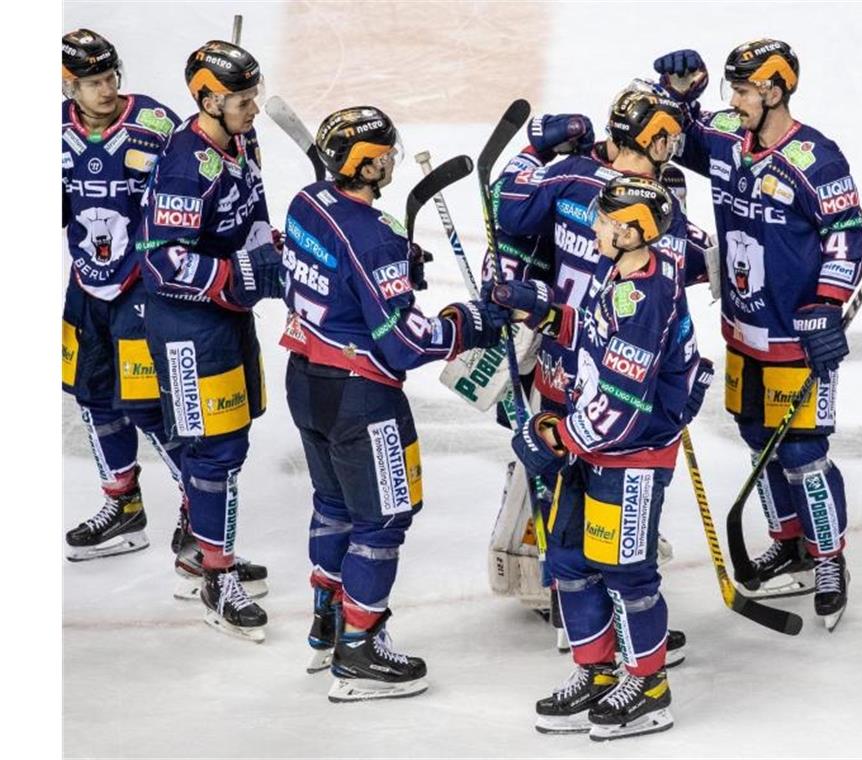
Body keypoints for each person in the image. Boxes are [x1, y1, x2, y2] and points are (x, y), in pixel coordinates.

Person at [279, 106, 510, 699]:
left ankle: (325, 622)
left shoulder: (306, 201)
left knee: (333, 504)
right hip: (363, 397)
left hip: (306, 380)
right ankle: (358, 649)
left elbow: (324, 274)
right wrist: (465, 322)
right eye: (382, 153)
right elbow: (406, 343)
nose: (389, 160)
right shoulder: (375, 236)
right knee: (382, 520)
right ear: (365, 162)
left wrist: (391, 274)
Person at [652, 39, 862, 628]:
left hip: (794, 338)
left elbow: (848, 234)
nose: (734, 101)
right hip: (741, 332)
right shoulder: (726, 135)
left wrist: (827, 303)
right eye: (731, 90)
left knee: (803, 454)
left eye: (744, 91)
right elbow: (670, 134)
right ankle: (791, 539)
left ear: (775, 90)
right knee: (758, 441)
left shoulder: (815, 158)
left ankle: (830, 559)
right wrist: (673, 96)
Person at [491, 175, 711, 741]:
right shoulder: (619, 273)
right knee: (568, 558)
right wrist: (539, 313)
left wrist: (556, 439)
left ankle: (649, 685)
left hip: (631, 453)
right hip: (594, 444)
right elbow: (591, 333)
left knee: (626, 572)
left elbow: (622, 402)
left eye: (607, 221)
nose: (595, 227)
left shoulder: (647, 297)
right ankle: (596, 672)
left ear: (634, 231)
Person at [137, 40, 279, 641]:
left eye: (253, 94)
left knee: (234, 438)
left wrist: (275, 252)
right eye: (242, 99)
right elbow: (161, 262)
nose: (253, 107)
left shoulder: (240, 141)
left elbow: (250, 213)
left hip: (226, 318)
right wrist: (236, 276)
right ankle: (215, 577)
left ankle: (199, 549)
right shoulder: (183, 167)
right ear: (208, 100)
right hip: (187, 327)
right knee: (215, 450)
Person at [61, 29, 186, 562]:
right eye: (93, 82)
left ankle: (196, 506)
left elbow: (198, 179)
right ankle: (124, 505)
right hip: (86, 284)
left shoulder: (154, 125)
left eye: (112, 77)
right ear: (70, 86)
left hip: (143, 288)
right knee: (91, 398)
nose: (107, 89)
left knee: (145, 406)